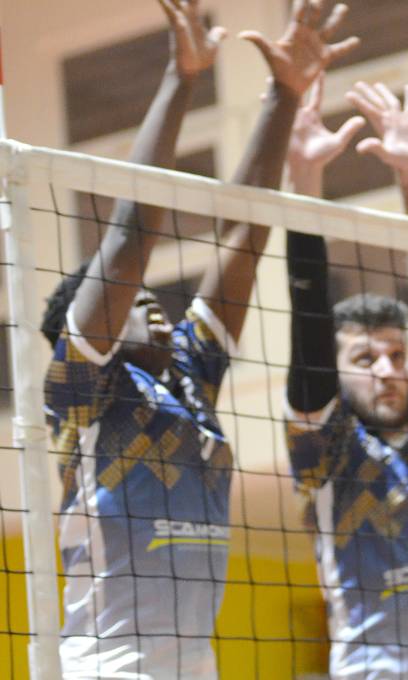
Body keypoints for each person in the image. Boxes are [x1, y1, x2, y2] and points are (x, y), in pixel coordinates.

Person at [42, 1, 359, 676]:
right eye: (132, 300)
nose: (151, 302)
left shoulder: (191, 376)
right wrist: (181, 78)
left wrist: (284, 95)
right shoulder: (83, 392)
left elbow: (244, 233)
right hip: (110, 667)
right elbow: (129, 240)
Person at [283, 77, 408, 679]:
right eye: (366, 358)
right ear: (335, 370)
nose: (388, 369)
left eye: (397, 355)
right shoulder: (325, 445)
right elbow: (307, 308)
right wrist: (305, 178)